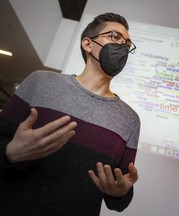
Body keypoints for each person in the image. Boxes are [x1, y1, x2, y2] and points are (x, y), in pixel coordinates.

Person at [0, 12, 140, 216]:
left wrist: (120, 194)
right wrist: (9, 153)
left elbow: (119, 197)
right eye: (115, 37)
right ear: (87, 44)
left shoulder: (130, 120)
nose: (122, 48)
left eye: (127, 44)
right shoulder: (40, 82)